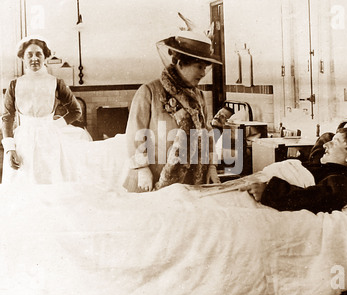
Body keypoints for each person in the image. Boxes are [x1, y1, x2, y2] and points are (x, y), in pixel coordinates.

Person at [1, 35, 127, 186]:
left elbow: (76, 111)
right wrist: (9, 149)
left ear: (45, 57)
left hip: (49, 140)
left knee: (50, 181)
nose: (34, 58)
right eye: (29, 54)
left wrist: (55, 125)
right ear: (22, 58)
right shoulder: (15, 84)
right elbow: (7, 118)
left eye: (38, 54)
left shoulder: (55, 82)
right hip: (23, 141)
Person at [124, 13, 221, 192]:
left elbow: (206, 133)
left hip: (191, 180)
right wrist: (142, 168)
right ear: (180, 63)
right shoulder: (149, 92)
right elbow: (134, 133)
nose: (203, 73)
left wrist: (212, 166)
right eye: (199, 66)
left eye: (205, 67)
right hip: (152, 180)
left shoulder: (198, 96)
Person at [243, 127, 347, 214]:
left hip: (264, 191)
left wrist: (269, 191)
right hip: (257, 180)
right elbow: (325, 137)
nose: (326, 145)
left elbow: (314, 198)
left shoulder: (344, 179)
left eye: (335, 143)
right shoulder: (318, 162)